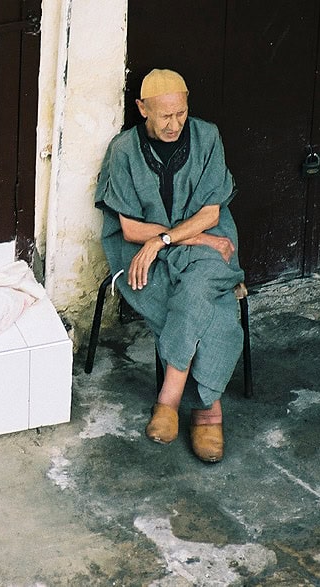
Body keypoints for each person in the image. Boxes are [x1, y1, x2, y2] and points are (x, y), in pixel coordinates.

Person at [93, 68, 244, 463]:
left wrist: (166, 240)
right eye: (164, 116)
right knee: (213, 304)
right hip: (145, 252)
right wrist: (187, 238)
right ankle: (209, 411)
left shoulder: (207, 136)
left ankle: (170, 399)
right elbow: (128, 228)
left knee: (196, 287)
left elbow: (211, 213)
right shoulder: (124, 150)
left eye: (180, 114)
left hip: (206, 246)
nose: (175, 124)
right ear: (142, 108)